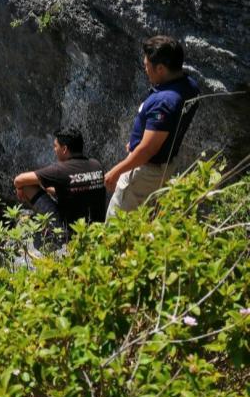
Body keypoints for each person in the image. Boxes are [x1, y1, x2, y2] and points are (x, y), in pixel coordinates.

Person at [105, 35, 200, 219]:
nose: (146, 70)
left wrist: (116, 171)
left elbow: (148, 149)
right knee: (147, 219)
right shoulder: (190, 86)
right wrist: (137, 143)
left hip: (146, 173)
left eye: (147, 66)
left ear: (161, 68)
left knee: (118, 224)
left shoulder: (164, 102)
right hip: (165, 166)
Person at [14, 127, 106, 245]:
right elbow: (75, 190)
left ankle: (53, 234)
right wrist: (46, 188)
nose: (54, 149)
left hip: (69, 232)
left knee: (27, 186)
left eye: (55, 146)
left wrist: (19, 189)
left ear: (64, 149)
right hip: (96, 230)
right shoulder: (96, 165)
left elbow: (18, 180)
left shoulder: (60, 170)